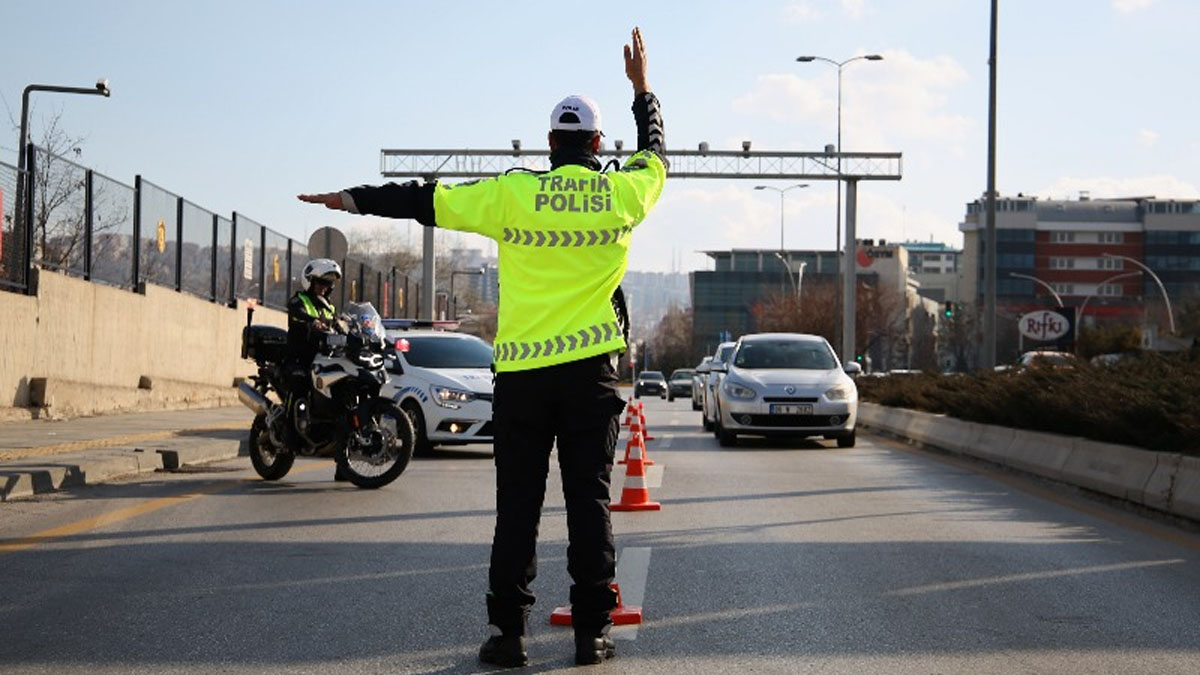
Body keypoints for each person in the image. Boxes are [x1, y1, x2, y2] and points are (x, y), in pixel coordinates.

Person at [298, 27, 665, 667]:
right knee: (591, 503)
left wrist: (351, 199)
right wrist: (643, 90)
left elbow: (423, 199)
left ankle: (508, 637)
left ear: (551, 144)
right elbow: (657, 154)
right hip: (590, 378)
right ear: (599, 145)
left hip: (523, 379)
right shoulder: (622, 193)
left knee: (516, 509)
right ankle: (590, 635)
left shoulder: (511, 192)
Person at [286, 258, 343, 477]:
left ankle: (344, 464)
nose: (324, 287)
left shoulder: (329, 307)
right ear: (309, 281)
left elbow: (339, 324)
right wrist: (311, 321)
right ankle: (289, 432)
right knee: (299, 385)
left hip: (324, 361)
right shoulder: (299, 300)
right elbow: (296, 312)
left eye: (328, 284)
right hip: (300, 359)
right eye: (320, 282)